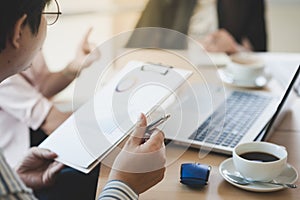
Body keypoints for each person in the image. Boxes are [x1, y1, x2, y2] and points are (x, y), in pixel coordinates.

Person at [0, 0, 166, 199]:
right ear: (19, 30)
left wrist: (16, 178)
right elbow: (51, 120)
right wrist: (124, 185)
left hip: (22, 165)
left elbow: (41, 88)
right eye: (45, 14)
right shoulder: (6, 83)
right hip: (19, 149)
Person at [127, 0, 267, 54]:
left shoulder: (249, 3)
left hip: (227, 81)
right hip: (176, 78)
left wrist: (234, 48)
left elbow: (262, 54)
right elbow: (135, 48)